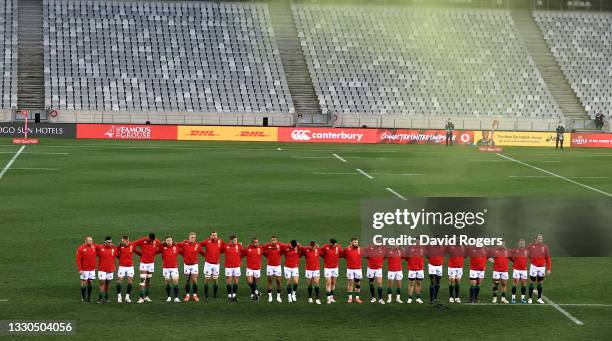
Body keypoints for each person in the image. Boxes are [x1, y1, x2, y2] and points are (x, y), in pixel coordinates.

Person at [177, 232, 205, 302]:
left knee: (195, 281)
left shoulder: (197, 245)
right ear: (189, 238)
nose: (193, 238)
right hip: (186, 265)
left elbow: (203, 253)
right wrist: (182, 253)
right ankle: (187, 295)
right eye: (192, 237)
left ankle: (195, 295)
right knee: (187, 280)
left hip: (194, 265)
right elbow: (176, 245)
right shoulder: (184, 244)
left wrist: (210, 256)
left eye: (194, 237)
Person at [134, 233, 160, 303]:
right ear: (148, 237)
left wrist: (154, 253)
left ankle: (146, 296)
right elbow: (133, 245)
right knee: (143, 279)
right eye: (149, 240)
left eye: (152, 240)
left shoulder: (156, 241)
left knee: (148, 280)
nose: (150, 241)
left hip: (151, 264)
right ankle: (141, 297)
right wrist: (139, 253)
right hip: (143, 263)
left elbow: (161, 247)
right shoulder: (143, 240)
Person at [200, 231, 224, 302]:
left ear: (217, 236)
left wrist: (219, 253)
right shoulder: (207, 241)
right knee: (207, 280)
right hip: (208, 264)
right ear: (210, 236)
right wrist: (205, 254)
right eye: (213, 235)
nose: (214, 236)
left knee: (215, 280)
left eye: (215, 235)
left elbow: (224, 247)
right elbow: (198, 246)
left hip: (216, 264)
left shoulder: (220, 241)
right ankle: (206, 296)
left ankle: (215, 295)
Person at [527, 234, 551, 304]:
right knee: (532, 282)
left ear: (542, 240)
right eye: (538, 239)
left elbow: (548, 259)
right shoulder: (531, 246)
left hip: (542, 268)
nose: (540, 240)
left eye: (541, 239)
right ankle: (530, 298)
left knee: (540, 283)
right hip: (533, 267)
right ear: (536, 239)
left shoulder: (545, 247)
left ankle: (539, 298)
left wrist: (549, 269)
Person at [116, 235, 140, 303]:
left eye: (123, 241)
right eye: (122, 241)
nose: (122, 242)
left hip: (130, 266)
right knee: (119, 280)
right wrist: (120, 259)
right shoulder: (120, 246)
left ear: (127, 240)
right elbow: (116, 252)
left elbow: (137, 251)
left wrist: (143, 255)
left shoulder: (132, 245)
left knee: (130, 281)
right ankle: (119, 296)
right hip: (122, 266)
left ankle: (127, 296)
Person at [158, 236, 181, 303]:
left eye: (170, 240)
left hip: (174, 268)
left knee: (175, 282)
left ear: (172, 241)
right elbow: (157, 246)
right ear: (165, 241)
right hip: (166, 268)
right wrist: (161, 243)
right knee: (167, 282)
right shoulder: (162, 247)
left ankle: (176, 298)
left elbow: (182, 245)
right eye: (167, 240)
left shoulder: (176, 246)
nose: (169, 241)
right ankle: (169, 297)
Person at [94, 236, 117, 304]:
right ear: (105, 242)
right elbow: (93, 246)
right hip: (102, 269)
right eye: (108, 242)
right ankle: (100, 298)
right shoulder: (99, 247)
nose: (110, 243)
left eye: (111, 242)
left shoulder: (114, 248)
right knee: (102, 283)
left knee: (108, 284)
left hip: (110, 269)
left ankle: (106, 297)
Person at [320, 238, 342, 304]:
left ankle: (332, 297)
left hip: (335, 268)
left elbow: (340, 254)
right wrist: (325, 257)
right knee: (328, 283)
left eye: (334, 244)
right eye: (332, 244)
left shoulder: (338, 247)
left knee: (333, 283)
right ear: (330, 243)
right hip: (327, 268)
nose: (333, 245)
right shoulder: (325, 246)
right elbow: (320, 252)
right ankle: (328, 298)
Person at [263, 236, 284, 302]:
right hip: (270, 266)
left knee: (278, 282)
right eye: (272, 240)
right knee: (270, 282)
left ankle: (278, 297)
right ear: (270, 241)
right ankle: (270, 296)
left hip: (277, 267)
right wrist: (267, 255)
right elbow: (262, 249)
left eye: (274, 240)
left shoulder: (280, 245)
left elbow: (286, 247)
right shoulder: (267, 245)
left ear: (276, 241)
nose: (273, 241)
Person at [342, 237, 363, 304]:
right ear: (351, 242)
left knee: (358, 283)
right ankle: (350, 298)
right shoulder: (347, 249)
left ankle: (357, 298)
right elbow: (343, 255)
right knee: (350, 283)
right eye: (354, 242)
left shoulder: (360, 249)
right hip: (350, 269)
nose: (356, 243)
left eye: (357, 242)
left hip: (358, 269)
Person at [76, 236, 97, 302]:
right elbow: (78, 260)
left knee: (90, 282)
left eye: (92, 240)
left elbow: (100, 246)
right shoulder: (81, 249)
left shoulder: (93, 246)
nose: (91, 241)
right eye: (90, 240)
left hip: (92, 269)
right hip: (84, 269)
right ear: (86, 241)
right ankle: (83, 297)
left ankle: (89, 297)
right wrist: (80, 269)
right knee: (84, 282)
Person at [223, 235, 243, 302]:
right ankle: (229, 296)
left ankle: (234, 296)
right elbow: (218, 251)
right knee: (229, 281)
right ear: (230, 240)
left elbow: (243, 252)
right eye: (234, 240)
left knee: (236, 281)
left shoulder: (239, 246)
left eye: (236, 240)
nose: (236, 241)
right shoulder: (225, 246)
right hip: (228, 267)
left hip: (237, 266)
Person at [243, 237, 264, 302]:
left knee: (254, 284)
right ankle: (257, 293)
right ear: (252, 243)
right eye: (254, 242)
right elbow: (241, 254)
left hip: (257, 269)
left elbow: (267, 253)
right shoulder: (248, 249)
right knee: (250, 282)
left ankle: (253, 296)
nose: (256, 244)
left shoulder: (261, 248)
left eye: (257, 242)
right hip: (250, 268)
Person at [510, 239, 529, 304]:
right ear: (518, 243)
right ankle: (513, 298)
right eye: (521, 243)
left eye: (523, 243)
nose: (522, 244)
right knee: (515, 283)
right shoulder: (515, 250)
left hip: (524, 270)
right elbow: (509, 256)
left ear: (524, 244)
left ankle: (523, 298)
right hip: (516, 269)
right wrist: (513, 260)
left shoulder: (527, 251)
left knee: (523, 284)